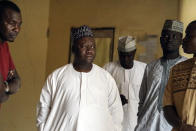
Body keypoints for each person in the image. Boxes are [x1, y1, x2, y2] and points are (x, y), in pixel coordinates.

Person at [36, 25, 123, 131]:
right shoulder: (56, 76)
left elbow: (116, 111)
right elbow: (43, 108)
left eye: (92, 46)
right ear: (73, 49)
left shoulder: (106, 78)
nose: (89, 50)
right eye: (84, 46)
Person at [135, 20, 187, 131]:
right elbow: (142, 99)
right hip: (147, 123)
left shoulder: (187, 67)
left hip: (173, 126)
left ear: (181, 40)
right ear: (161, 40)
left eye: (174, 36)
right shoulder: (151, 67)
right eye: (166, 35)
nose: (170, 39)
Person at [104, 36, 146, 131]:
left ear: (134, 52)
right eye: (122, 55)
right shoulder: (108, 69)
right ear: (118, 52)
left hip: (137, 124)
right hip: (114, 124)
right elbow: (100, 96)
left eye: (129, 55)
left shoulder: (144, 69)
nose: (126, 59)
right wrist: (115, 99)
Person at [163, 20, 196, 131]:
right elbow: (167, 105)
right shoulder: (177, 69)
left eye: (188, 36)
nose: (183, 40)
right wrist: (182, 127)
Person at [0, 0, 22, 104]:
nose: (17, 29)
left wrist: (5, 87)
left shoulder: (4, 46)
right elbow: (1, 96)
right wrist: (8, 87)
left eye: (19, 24)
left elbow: (17, 81)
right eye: (12, 23)